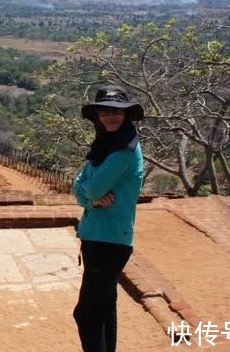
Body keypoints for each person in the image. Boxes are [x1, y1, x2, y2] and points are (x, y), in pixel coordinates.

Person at [71, 85, 145, 352]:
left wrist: (87, 192)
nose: (110, 116)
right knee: (104, 308)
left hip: (108, 240)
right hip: (100, 236)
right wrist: (89, 197)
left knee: (87, 315)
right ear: (97, 116)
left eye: (117, 111)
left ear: (127, 115)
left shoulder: (125, 149)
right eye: (104, 111)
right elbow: (81, 187)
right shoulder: (104, 145)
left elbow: (89, 186)